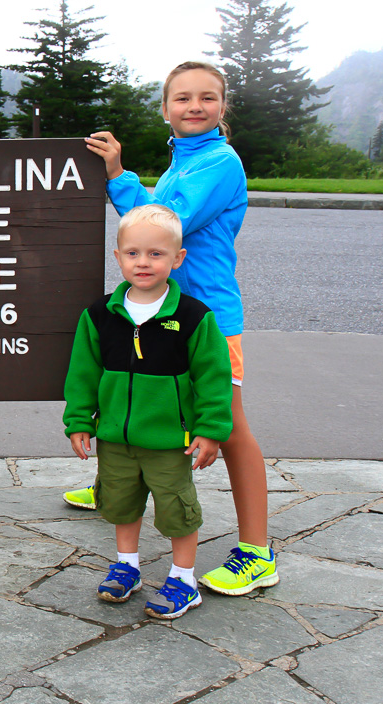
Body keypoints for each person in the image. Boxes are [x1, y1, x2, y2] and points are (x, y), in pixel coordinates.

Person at [67, 60, 279, 596]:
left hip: (203, 318)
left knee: (229, 427)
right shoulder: (186, 160)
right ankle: (125, 477)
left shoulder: (218, 161)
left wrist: (118, 175)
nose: (194, 106)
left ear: (222, 108)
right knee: (138, 392)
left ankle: (257, 551)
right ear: (166, 109)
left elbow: (162, 221)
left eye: (207, 97)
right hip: (160, 310)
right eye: (182, 98)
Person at [64, 204, 233, 619]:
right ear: (118, 256)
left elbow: (214, 377)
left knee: (177, 509)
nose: (144, 262)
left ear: (177, 259)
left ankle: (183, 579)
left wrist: (210, 430)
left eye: (156, 254)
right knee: (120, 503)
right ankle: (128, 566)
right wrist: (80, 421)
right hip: (116, 439)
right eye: (134, 253)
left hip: (169, 441)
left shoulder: (193, 317)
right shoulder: (99, 315)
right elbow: (83, 374)